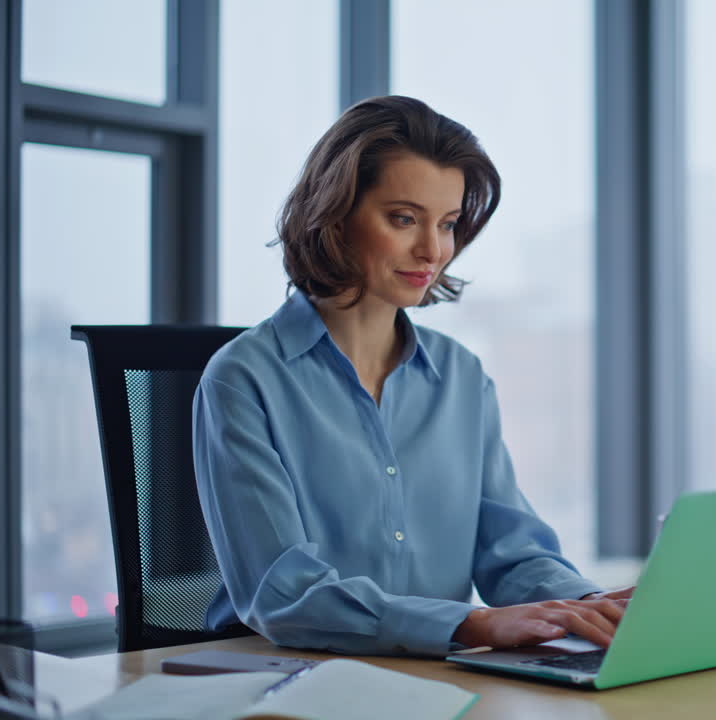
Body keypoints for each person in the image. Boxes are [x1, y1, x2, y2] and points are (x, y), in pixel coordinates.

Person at [193, 96, 630, 657]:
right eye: (404, 219)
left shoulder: (461, 377)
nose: (433, 250)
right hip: (288, 680)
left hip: (437, 680)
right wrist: (470, 626)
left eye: (447, 224)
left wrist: (590, 608)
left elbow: (512, 554)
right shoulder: (244, 379)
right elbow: (285, 593)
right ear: (336, 214)